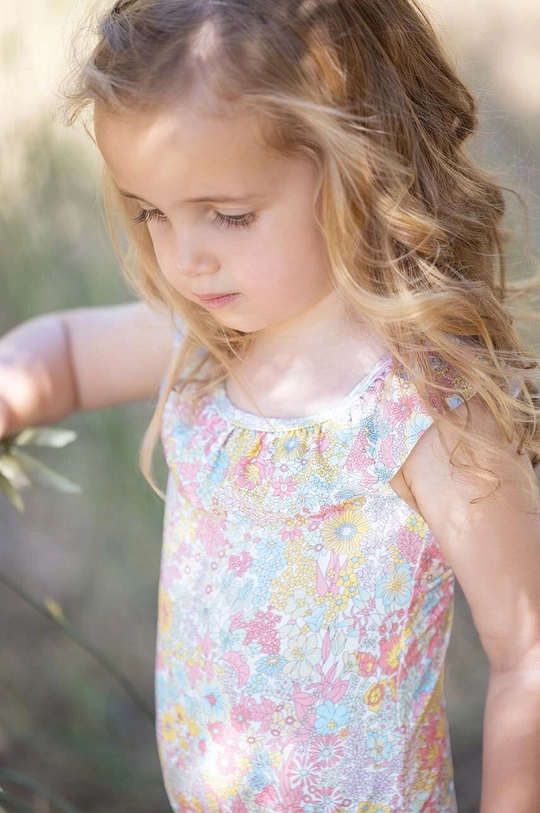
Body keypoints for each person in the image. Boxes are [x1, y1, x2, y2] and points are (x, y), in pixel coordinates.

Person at [2, 0, 540, 810]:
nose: (185, 258)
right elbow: (66, 356)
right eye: (151, 212)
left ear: (358, 169)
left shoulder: (422, 408)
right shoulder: (208, 341)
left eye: (229, 216)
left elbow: (526, 650)